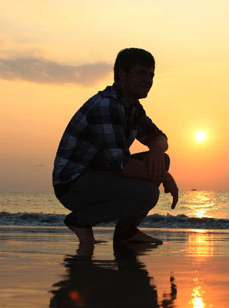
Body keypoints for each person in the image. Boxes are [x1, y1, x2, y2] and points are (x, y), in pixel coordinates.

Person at [52, 48, 178, 246]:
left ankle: (126, 233)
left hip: (98, 175)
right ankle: (80, 220)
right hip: (73, 184)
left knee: (162, 159)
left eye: (151, 74)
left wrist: (156, 151)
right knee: (148, 192)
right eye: (141, 73)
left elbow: (159, 136)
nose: (148, 80)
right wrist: (164, 176)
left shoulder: (132, 106)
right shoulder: (107, 105)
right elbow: (121, 165)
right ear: (122, 74)